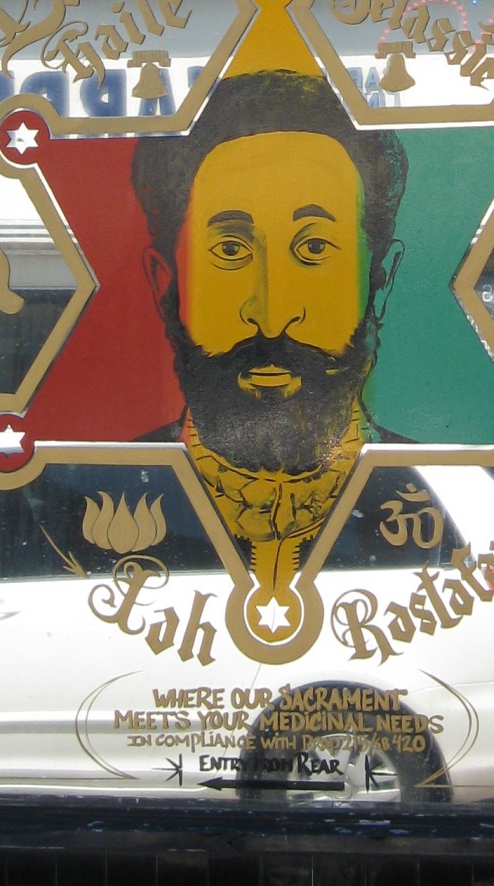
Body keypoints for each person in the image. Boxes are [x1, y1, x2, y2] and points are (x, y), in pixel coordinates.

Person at [129, 68, 408, 609]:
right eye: (231, 251)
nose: (273, 316)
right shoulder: (99, 488)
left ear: (381, 276)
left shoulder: (442, 494)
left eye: (313, 251)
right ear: (165, 280)